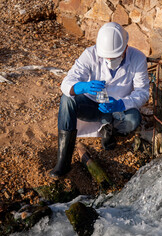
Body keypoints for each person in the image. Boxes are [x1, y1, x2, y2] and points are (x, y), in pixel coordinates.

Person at [49, 22, 149, 178]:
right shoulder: (90, 54)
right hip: (91, 105)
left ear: (125, 47)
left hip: (117, 108)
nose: (109, 59)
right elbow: (67, 83)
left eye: (114, 56)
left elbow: (142, 92)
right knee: (67, 99)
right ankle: (63, 163)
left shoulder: (138, 58)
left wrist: (122, 103)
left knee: (133, 119)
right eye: (106, 56)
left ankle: (109, 130)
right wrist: (81, 87)